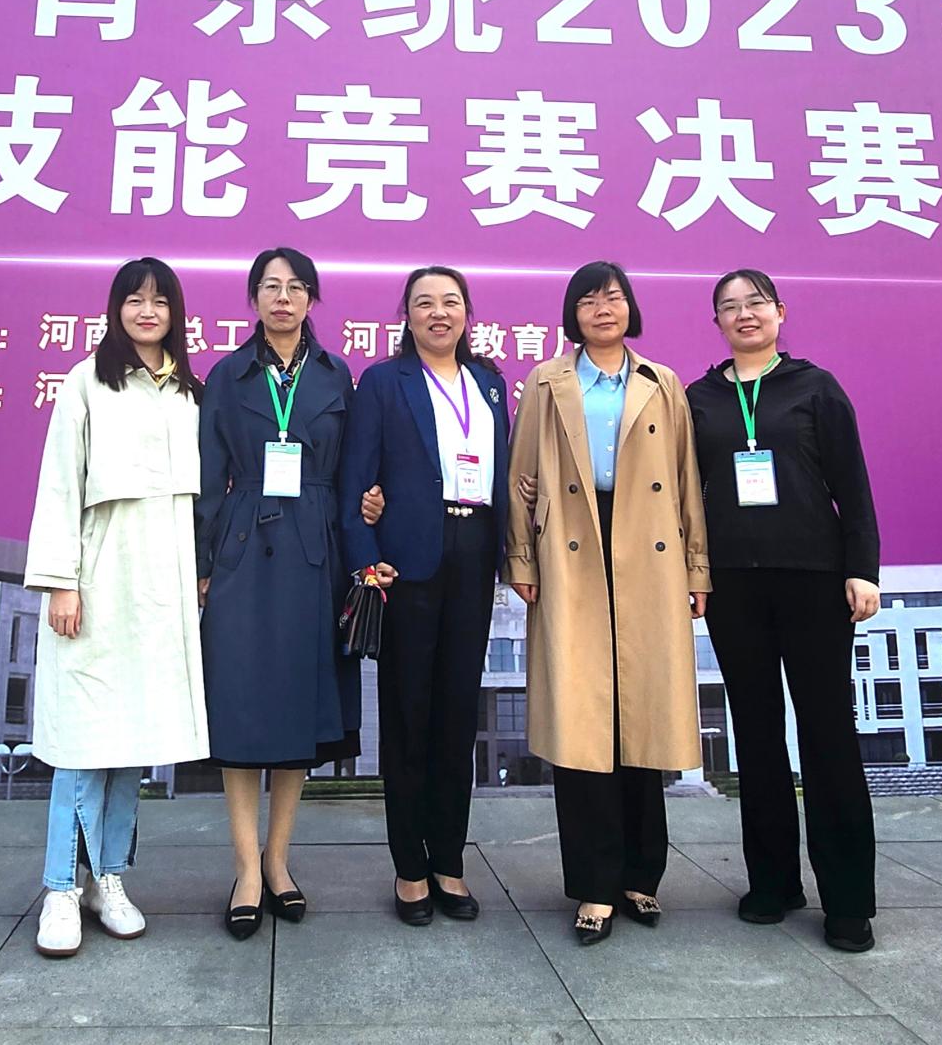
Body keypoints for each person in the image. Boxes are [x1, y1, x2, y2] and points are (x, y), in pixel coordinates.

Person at [507, 262, 708, 946]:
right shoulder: (546, 381)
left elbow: (686, 479)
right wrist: (522, 558)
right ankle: (594, 886)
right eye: (588, 299)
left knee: (641, 714)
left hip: (648, 548)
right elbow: (523, 476)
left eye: (613, 297)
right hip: (574, 544)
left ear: (630, 308)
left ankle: (640, 876)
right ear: (573, 314)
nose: (602, 308)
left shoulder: (661, 383)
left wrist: (697, 568)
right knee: (583, 721)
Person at [686, 268, 882, 954]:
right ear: (716, 321)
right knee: (757, 734)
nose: (744, 315)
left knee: (828, 734)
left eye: (756, 303)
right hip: (732, 585)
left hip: (813, 579)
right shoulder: (699, 400)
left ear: (779, 312)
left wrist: (862, 568)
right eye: (730, 307)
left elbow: (852, 484)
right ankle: (772, 883)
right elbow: (682, 494)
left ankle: (848, 901)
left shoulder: (815, 387)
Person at [23, 257, 212, 959]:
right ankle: (59, 888)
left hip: (163, 586)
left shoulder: (190, 391)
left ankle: (110, 878)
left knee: (133, 736)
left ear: (176, 313)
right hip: (99, 576)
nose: (147, 311)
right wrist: (61, 581)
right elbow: (59, 483)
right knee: (82, 740)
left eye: (160, 301)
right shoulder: (85, 381)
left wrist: (201, 576)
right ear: (115, 309)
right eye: (134, 300)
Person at [196, 247, 368, 939]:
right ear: (253, 298)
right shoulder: (226, 374)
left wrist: (362, 541)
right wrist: (203, 562)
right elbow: (208, 476)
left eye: (296, 287)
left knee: (299, 704)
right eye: (270, 286)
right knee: (241, 705)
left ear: (311, 299)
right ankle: (244, 867)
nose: (283, 298)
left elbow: (354, 471)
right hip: (242, 546)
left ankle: (278, 861)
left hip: (314, 547)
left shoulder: (336, 374)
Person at [341, 266, 511, 927]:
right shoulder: (384, 382)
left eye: (450, 302)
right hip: (407, 562)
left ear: (467, 314)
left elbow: (502, 469)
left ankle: (449, 862)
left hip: (474, 554)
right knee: (409, 717)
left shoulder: (490, 384)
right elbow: (357, 480)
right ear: (407, 316)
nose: (438, 313)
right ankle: (409, 869)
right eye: (424, 303)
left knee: (456, 718)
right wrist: (366, 558)